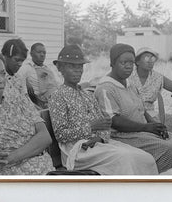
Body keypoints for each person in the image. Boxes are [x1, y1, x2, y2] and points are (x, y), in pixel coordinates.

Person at [48, 45, 158, 175]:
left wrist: (100, 138)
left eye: (80, 66)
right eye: (72, 66)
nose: (78, 70)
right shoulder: (58, 95)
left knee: (145, 158)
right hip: (76, 151)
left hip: (97, 144)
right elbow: (60, 134)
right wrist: (90, 127)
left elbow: (105, 125)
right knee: (125, 158)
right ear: (60, 68)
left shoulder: (87, 95)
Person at [95, 43, 172, 174]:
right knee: (167, 148)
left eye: (131, 62)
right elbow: (114, 121)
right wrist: (146, 127)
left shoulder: (130, 84)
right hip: (120, 136)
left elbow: (142, 110)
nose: (128, 66)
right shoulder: (106, 88)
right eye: (123, 62)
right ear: (112, 63)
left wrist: (154, 124)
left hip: (140, 131)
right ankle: (161, 182)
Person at [129, 47, 172, 121]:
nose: (150, 61)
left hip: (151, 116)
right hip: (130, 115)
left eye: (153, 58)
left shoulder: (157, 77)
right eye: (147, 58)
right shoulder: (128, 75)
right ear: (137, 62)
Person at [17, 42, 60, 109]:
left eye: (44, 53)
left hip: (56, 102)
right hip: (39, 105)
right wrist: (26, 83)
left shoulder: (50, 68)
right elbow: (17, 82)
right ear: (31, 54)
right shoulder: (26, 68)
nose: (42, 55)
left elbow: (59, 84)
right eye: (39, 52)